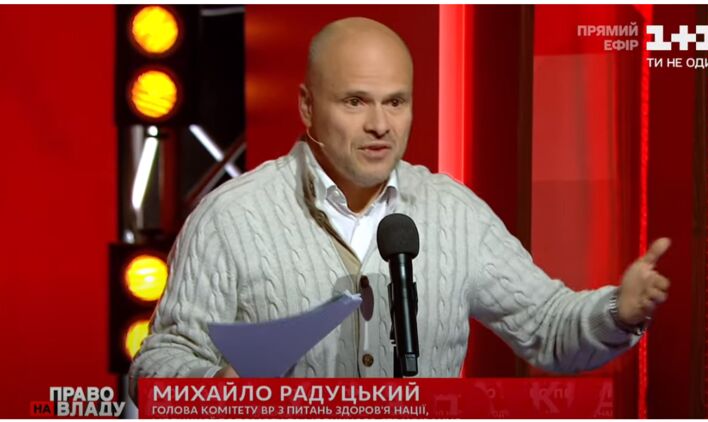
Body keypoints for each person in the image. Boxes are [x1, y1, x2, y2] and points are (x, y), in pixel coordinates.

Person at [129, 17, 671, 394]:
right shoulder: (231, 218)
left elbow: (549, 327)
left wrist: (617, 312)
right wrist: (218, 389)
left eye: (396, 102)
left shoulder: (454, 214)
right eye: (355, 101)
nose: (380, 125)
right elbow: (155, 366)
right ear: (308, 107)